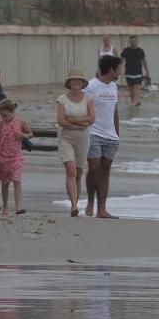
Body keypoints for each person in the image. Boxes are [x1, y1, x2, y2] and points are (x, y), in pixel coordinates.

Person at [84, 55, 121, 219]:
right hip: (93, 133)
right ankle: (91, 200)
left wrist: (117, 134)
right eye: (119, 68)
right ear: (111, 69)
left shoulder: (114, 87)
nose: (121, 71)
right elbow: (83, 107)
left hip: (111, 136)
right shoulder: (91, 86)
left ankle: (102, 209)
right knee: (94, 167)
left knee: (105, 170)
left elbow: (114, 111)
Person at [57, 69, 95, 217]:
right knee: (71, 170)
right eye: (73, 81)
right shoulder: (62, 99)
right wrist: (80, 122)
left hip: (83, 139)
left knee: (78, 173)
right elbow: (61, 121)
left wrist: (72, 120)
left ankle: (76, 202)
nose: (76, 83)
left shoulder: (88, 98)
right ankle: (73, 205)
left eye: (78, 81)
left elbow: (91, 119)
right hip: (66, 138)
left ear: (82, 83)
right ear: (69, 83)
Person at [0, 99, 33, 215]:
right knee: (5, 183)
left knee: (17, 180)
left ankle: (19, 207)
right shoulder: (0, 123)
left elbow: (30, 134)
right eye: (1, 115)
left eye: (5, 115)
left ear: (12, 111)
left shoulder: (20, 122)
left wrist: (23, 135)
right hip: (2, 157)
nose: (3, 118)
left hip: (16, 157)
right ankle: (5, 206)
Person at [121, 36, 150, 107]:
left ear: (136, 41)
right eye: (131, 41)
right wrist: (118, 70)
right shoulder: (126, 50)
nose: (132, 42)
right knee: (131, 88)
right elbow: (121, 61)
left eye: (134, 41)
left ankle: (136, 102)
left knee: (137, 87)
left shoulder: (140, 51)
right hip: (128, 73)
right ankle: (133, 102)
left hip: (138, 73)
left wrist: (147, 71)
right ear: (129, 42)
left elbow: (144, 61)